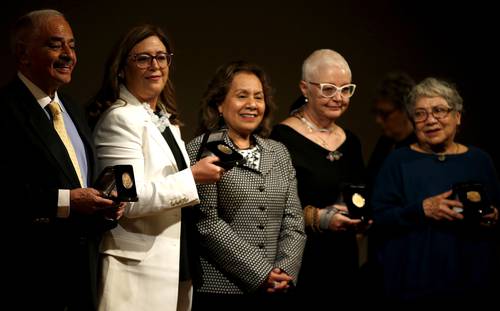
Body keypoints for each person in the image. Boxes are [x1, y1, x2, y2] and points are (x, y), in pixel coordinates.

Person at [88, 25, 222, 311]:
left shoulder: (165, 120)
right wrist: (193, 178)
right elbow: (127, 201)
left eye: (161, 57)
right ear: (122, 68)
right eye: (143, 58)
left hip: (175, 261)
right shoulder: (119, 119)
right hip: (137, 269)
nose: (155, 66)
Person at [0, 9, 123, 310]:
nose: (69, 55)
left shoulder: (72, 108)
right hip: (32, 279)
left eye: (72, 45)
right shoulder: (4, 110)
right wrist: (67, 201)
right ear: (23, 54)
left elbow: (79, 181)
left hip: (82, 274)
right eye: (55, 45)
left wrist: (104, 206)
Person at [185, 60, 306, 310]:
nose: (252, 104)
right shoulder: (202, 148)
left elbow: (293, 219)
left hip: (276, 289)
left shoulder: (279, 152)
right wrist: (261, 272)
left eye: (258, 97)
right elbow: (206, 223)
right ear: (220, 103)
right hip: (221, 290)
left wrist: (284, 269)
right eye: (242, 96)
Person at [371, 77, 500, 305]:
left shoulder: (480, 161)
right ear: (413, 121)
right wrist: (421, 209)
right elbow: (379, 218)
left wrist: (492, 218)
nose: (430, 120)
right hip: (412, 284)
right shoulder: (397, 161)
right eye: (420, 114)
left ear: (457, 116)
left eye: (439, 111)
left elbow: (497, 215)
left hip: (472, 282)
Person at [270, 49, 366, 306]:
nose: (339, 98)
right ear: (305, 88)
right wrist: (320, 218)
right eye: (328, 89)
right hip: (301, 260)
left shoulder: (352, 141)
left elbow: (360, 193)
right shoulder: (281, 139)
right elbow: (268, 209)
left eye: (346, 89)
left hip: (344, 258)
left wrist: (363, 215)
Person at [367, 71, 416, 184]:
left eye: (385, 114)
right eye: (376, 113)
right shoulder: (384, 142)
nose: (378, 120)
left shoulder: (421, 148)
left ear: (406, 110)